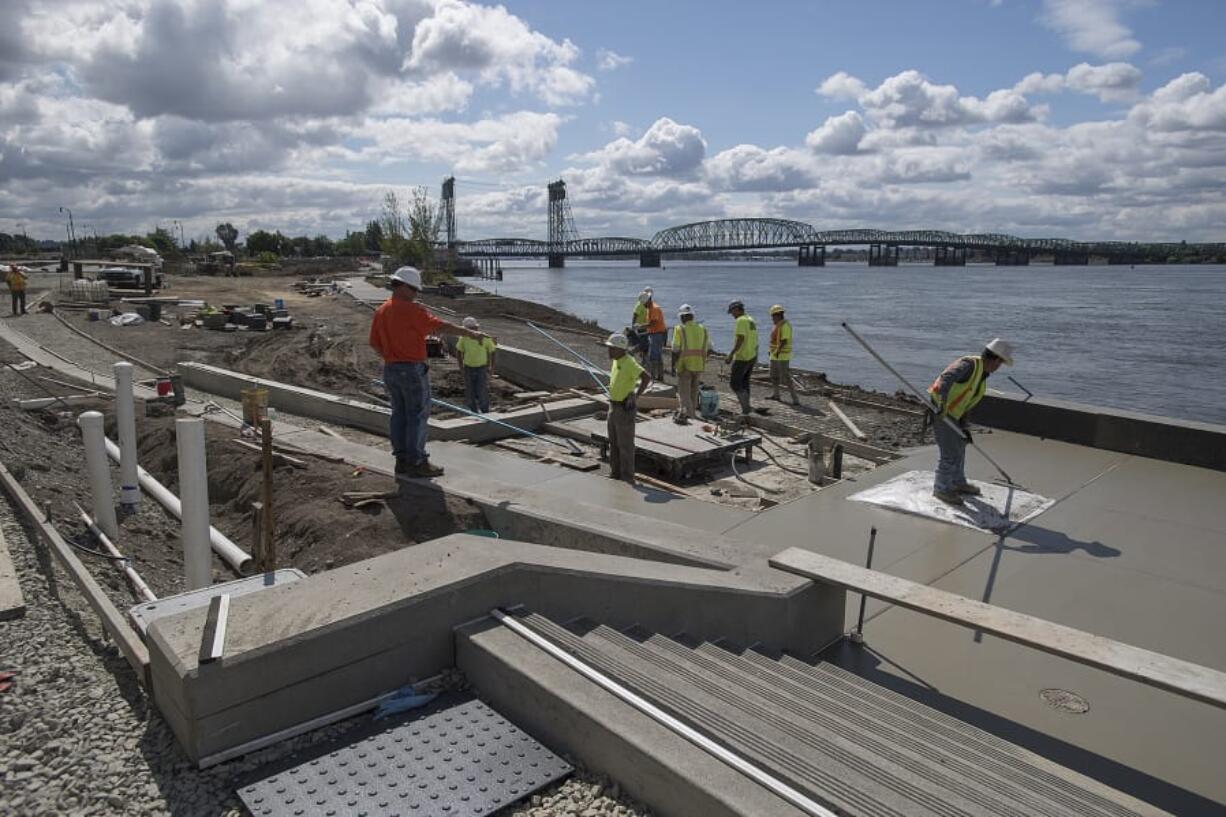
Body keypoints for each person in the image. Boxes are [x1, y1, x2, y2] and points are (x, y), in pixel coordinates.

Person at [369, 266, 491, 479]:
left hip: (391, 369)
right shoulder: (411, 310)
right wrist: (470, 333)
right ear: (404, 287)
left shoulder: (382, 310)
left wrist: (392, 356)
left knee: (399, 414)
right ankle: (417, 461)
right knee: (417, 415)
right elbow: (441, 326)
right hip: (411, 369)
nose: (416, 294)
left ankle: (402, 461)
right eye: (415, 289)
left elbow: (374, 343)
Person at [927, 338, 1015, 504]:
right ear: (996, 360)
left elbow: (966, 398)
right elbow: (946, 378)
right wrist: (942, 405)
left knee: (960, 446)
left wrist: (963, 424)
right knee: (950, 453)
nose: (999, 367)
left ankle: (957, 482)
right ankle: (942, 489)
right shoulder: (969, 365)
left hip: (955, 414)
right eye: (1001, 363)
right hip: (942, 412)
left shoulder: (982, 373)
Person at [605, 332, 652, 484]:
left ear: (621, 349)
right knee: (613, 442)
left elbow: (646, 377)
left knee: (625, 445)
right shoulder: (616, 361)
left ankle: (627, 477)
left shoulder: (629, 362)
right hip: (613, 406)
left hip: (624, 409)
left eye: (612, 348)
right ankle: (615, 473)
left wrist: (635, 396)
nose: (609, 351)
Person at [670, 304, 709, 419]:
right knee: (694, 392)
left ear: (682, 317)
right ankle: (693, 414)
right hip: (699, 365)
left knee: (684, 394)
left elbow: (675, 349)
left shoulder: (680, 329)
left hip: (685, 365)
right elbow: (709, 347)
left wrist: (673, 366)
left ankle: (688, 416)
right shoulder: (703, 329)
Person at [455, 316, 497, 413]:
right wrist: (461, 367)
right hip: (468, 368)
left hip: (481, 368)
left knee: (482, 390)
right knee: (470, 391)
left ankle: (485, 411)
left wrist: (492, 368)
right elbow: (459, 351)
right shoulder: (463, 338)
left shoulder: (485, 338)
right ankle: (473, 411)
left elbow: (493, 352)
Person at [724, 300, 758, 417]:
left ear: (737, 309)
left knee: (735, 384)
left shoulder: (740, 320)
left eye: (732, 312)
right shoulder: (751, 320)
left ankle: (746, 408)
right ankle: (746, 407)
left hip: (742, 357)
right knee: (745, 383)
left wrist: (731, 354)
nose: (732, 315)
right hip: (752, 356)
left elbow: (740, 339)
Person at [766, 304, 800, 405]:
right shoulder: (777, 325)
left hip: (782, 356)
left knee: (785, 377)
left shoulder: (785, 326)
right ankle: (776, 395)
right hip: (774, 355)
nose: (772, 318)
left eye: (772, 316)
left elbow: (784, 341)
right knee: (773, 375)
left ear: (777, 315)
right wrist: (771, 351)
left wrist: (777, 351)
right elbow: (775, 340)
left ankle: (795, 398)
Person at [642, 291, 667, 382]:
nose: (643, 305)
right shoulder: (650, 308)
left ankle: (653, 377)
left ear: (648, 301)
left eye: (643, 303)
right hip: (655, 333)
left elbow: (654, 322)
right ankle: (659, 376)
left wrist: (642, 326)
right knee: (658, 355)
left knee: (653, 356)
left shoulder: (654, 308)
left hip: (657, 334)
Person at [630, 290, 651, 364]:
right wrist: (633, 326)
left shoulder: (645, 305)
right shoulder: (639, 305)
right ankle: (631, 352)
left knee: (646, 344)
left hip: (644, 326)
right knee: (643, 344)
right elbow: (635, 315)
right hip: (640, 327)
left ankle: (644, 360)